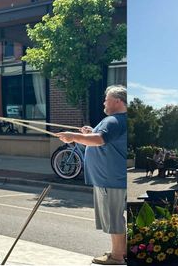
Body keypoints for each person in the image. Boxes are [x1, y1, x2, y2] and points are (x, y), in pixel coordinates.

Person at [56, 85, 127, 266]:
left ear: (117, 101)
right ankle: (119, 252)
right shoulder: (116, 120)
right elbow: (100, 138)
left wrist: (73, 136)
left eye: (107, 98)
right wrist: (89, 133)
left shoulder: (114, 120)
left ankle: (117, 256)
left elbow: (99, 140)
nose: (104, 101)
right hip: (111, 178)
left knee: (113, 217)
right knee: (114, 217)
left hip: (110, 179)